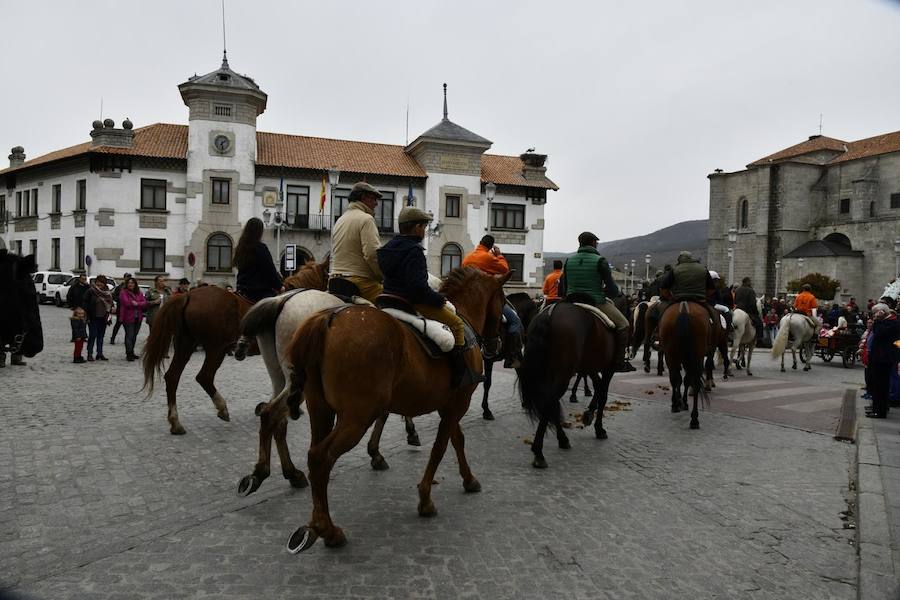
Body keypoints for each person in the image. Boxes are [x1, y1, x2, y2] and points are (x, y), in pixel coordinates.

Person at [377, 207, 482, 388]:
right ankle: (460, 377)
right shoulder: (414, 250)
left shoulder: (386, 249)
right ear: (417, 227)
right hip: (410, 301)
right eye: (424, 226)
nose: (425, 230)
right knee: (457, 325)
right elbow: (418, 288)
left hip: (386, 299)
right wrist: (439, 300)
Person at [558, 231, 635, 372]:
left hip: (571, 301)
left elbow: (563, 288)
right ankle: (619, 362)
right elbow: (612, 289)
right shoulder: (600, 261)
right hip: (595, 301)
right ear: (593, 243)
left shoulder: (569, 261)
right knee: (624, 324)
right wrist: (609, 293)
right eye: (597, 243)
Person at [462, 234, 523, 368]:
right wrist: (499, 255)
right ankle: (511, 357)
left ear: (480, 243)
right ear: (490, 247)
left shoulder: (467, 258)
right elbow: (504, 269)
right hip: (488, 298)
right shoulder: (489, 257)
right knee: (515, 321)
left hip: (469, 300)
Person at [328, 182, 384, 303]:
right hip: (359, 282)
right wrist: (382, 276)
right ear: (363, 198)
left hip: (335, 281)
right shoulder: (366, 219)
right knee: (394, 303)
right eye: (374, 199)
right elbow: (372, 255)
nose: (376, 203)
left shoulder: (340, 220)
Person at [658, 250, 717, 334]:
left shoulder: (675, 269)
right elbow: (712, 289)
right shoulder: (703, 268)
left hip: (678, 298)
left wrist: (670, 298)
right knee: (714, 316)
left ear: (679, 259)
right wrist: (704, 296)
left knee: (662, 316)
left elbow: (663, 289)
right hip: (699, 298)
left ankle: (658, 334)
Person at [234, 217, 283, 303]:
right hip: (258, 292)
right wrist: (279, 286)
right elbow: (269, 270)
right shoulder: (260, 248)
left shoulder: (240, 248)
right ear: (259, 232)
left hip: (241, 289)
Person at [865, 304, 900, 418]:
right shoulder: (886, 322)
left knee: (881, 386)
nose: (874, 316)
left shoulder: (892, 323)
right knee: (877, 384)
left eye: (876, 313)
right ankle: (877, 408)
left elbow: (879, 333)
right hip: (879, 357)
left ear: (882, 312)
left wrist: (877, 321)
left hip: (884, 358)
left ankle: (880, 411)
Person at [82, 275, 113, 361]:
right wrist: (87, 312)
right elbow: (85, 302)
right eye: (98, 282)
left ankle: (99, 353)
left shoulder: (108, 292)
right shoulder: (91, 291)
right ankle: (90, 353)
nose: (99, 284)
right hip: (93, 316)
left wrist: (112, 308)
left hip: (104, 317)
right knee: (93, 335)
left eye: (101, 282)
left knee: (101, 336)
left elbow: (111, 303)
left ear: (104, 283)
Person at [118, 277, 147, 361]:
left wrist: (137, 303)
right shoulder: (123, 292)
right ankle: (129, 353)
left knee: (134, 336)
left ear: (135, 284)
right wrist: (138, 304)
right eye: (129, 283)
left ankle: (132, 351)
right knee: (129, 335)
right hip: (127, 317)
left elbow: (144, 303)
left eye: (132, 283)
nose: (130, 284)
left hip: (138, 317)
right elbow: (126, 303)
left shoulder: (139, 292)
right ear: (127, 284)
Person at [109, 273, 132, 345]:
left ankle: (127, 340)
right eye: (127, 277)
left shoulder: (132, 287)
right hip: (120, 308)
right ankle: (112, 338)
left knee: (128, 325)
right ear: (124, 278)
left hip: (129, 309)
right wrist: (120, 299)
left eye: (129, 277)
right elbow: (114, 296)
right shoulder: (119, 287)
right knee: (118, 324)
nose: (128, 279)